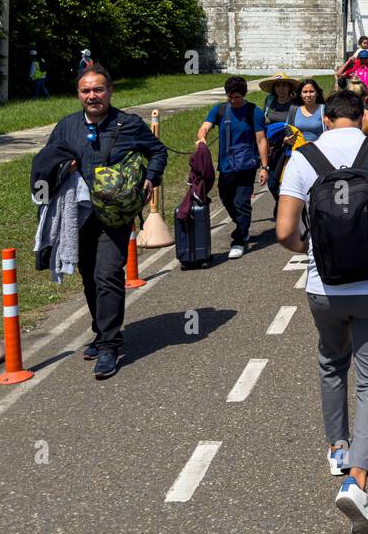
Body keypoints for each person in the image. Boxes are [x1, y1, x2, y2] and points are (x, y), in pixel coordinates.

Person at [276, 88, 368, 534]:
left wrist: (310, 249)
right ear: (361, 118)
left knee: (331, 362)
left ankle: (338, 446)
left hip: (326, 287)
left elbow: (284, 231)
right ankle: (357, 479)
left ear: (326, 118)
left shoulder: (303, 158)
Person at [43, 63, 167, 379]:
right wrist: (59, 171)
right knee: (89, 277)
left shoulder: (129, 124)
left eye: (99, 89)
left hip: (114, 216)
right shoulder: (67, 126)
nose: (93, 96)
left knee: (109, 274)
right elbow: (47, 161)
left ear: (110, 91)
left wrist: (151, 178)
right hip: (79, 217)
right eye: (86, 90)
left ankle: (110, 346)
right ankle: (101, 331)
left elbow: (157, 152)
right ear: (79, 94)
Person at [197, 76, 269, 260]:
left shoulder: (254, 112)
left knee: (241, 202)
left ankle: (240, 238)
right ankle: (242, 225)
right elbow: (205, 126)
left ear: (243, 95)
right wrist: (202, 136)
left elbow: (261, 140)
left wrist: (264, 167)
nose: (232, 100)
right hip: (226, 166)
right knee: (226, 198)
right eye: (229, 96)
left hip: (246, 165)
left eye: (236, 96)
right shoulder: (220, 110)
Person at [292, 78, 327, 143]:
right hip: (298, 149)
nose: (308, 95)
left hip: (318, 149)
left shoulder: (324, 109)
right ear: (300, 94)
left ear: (317, 93)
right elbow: (288, 129)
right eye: (305, 92)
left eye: (311, 91)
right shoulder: (294, 109)